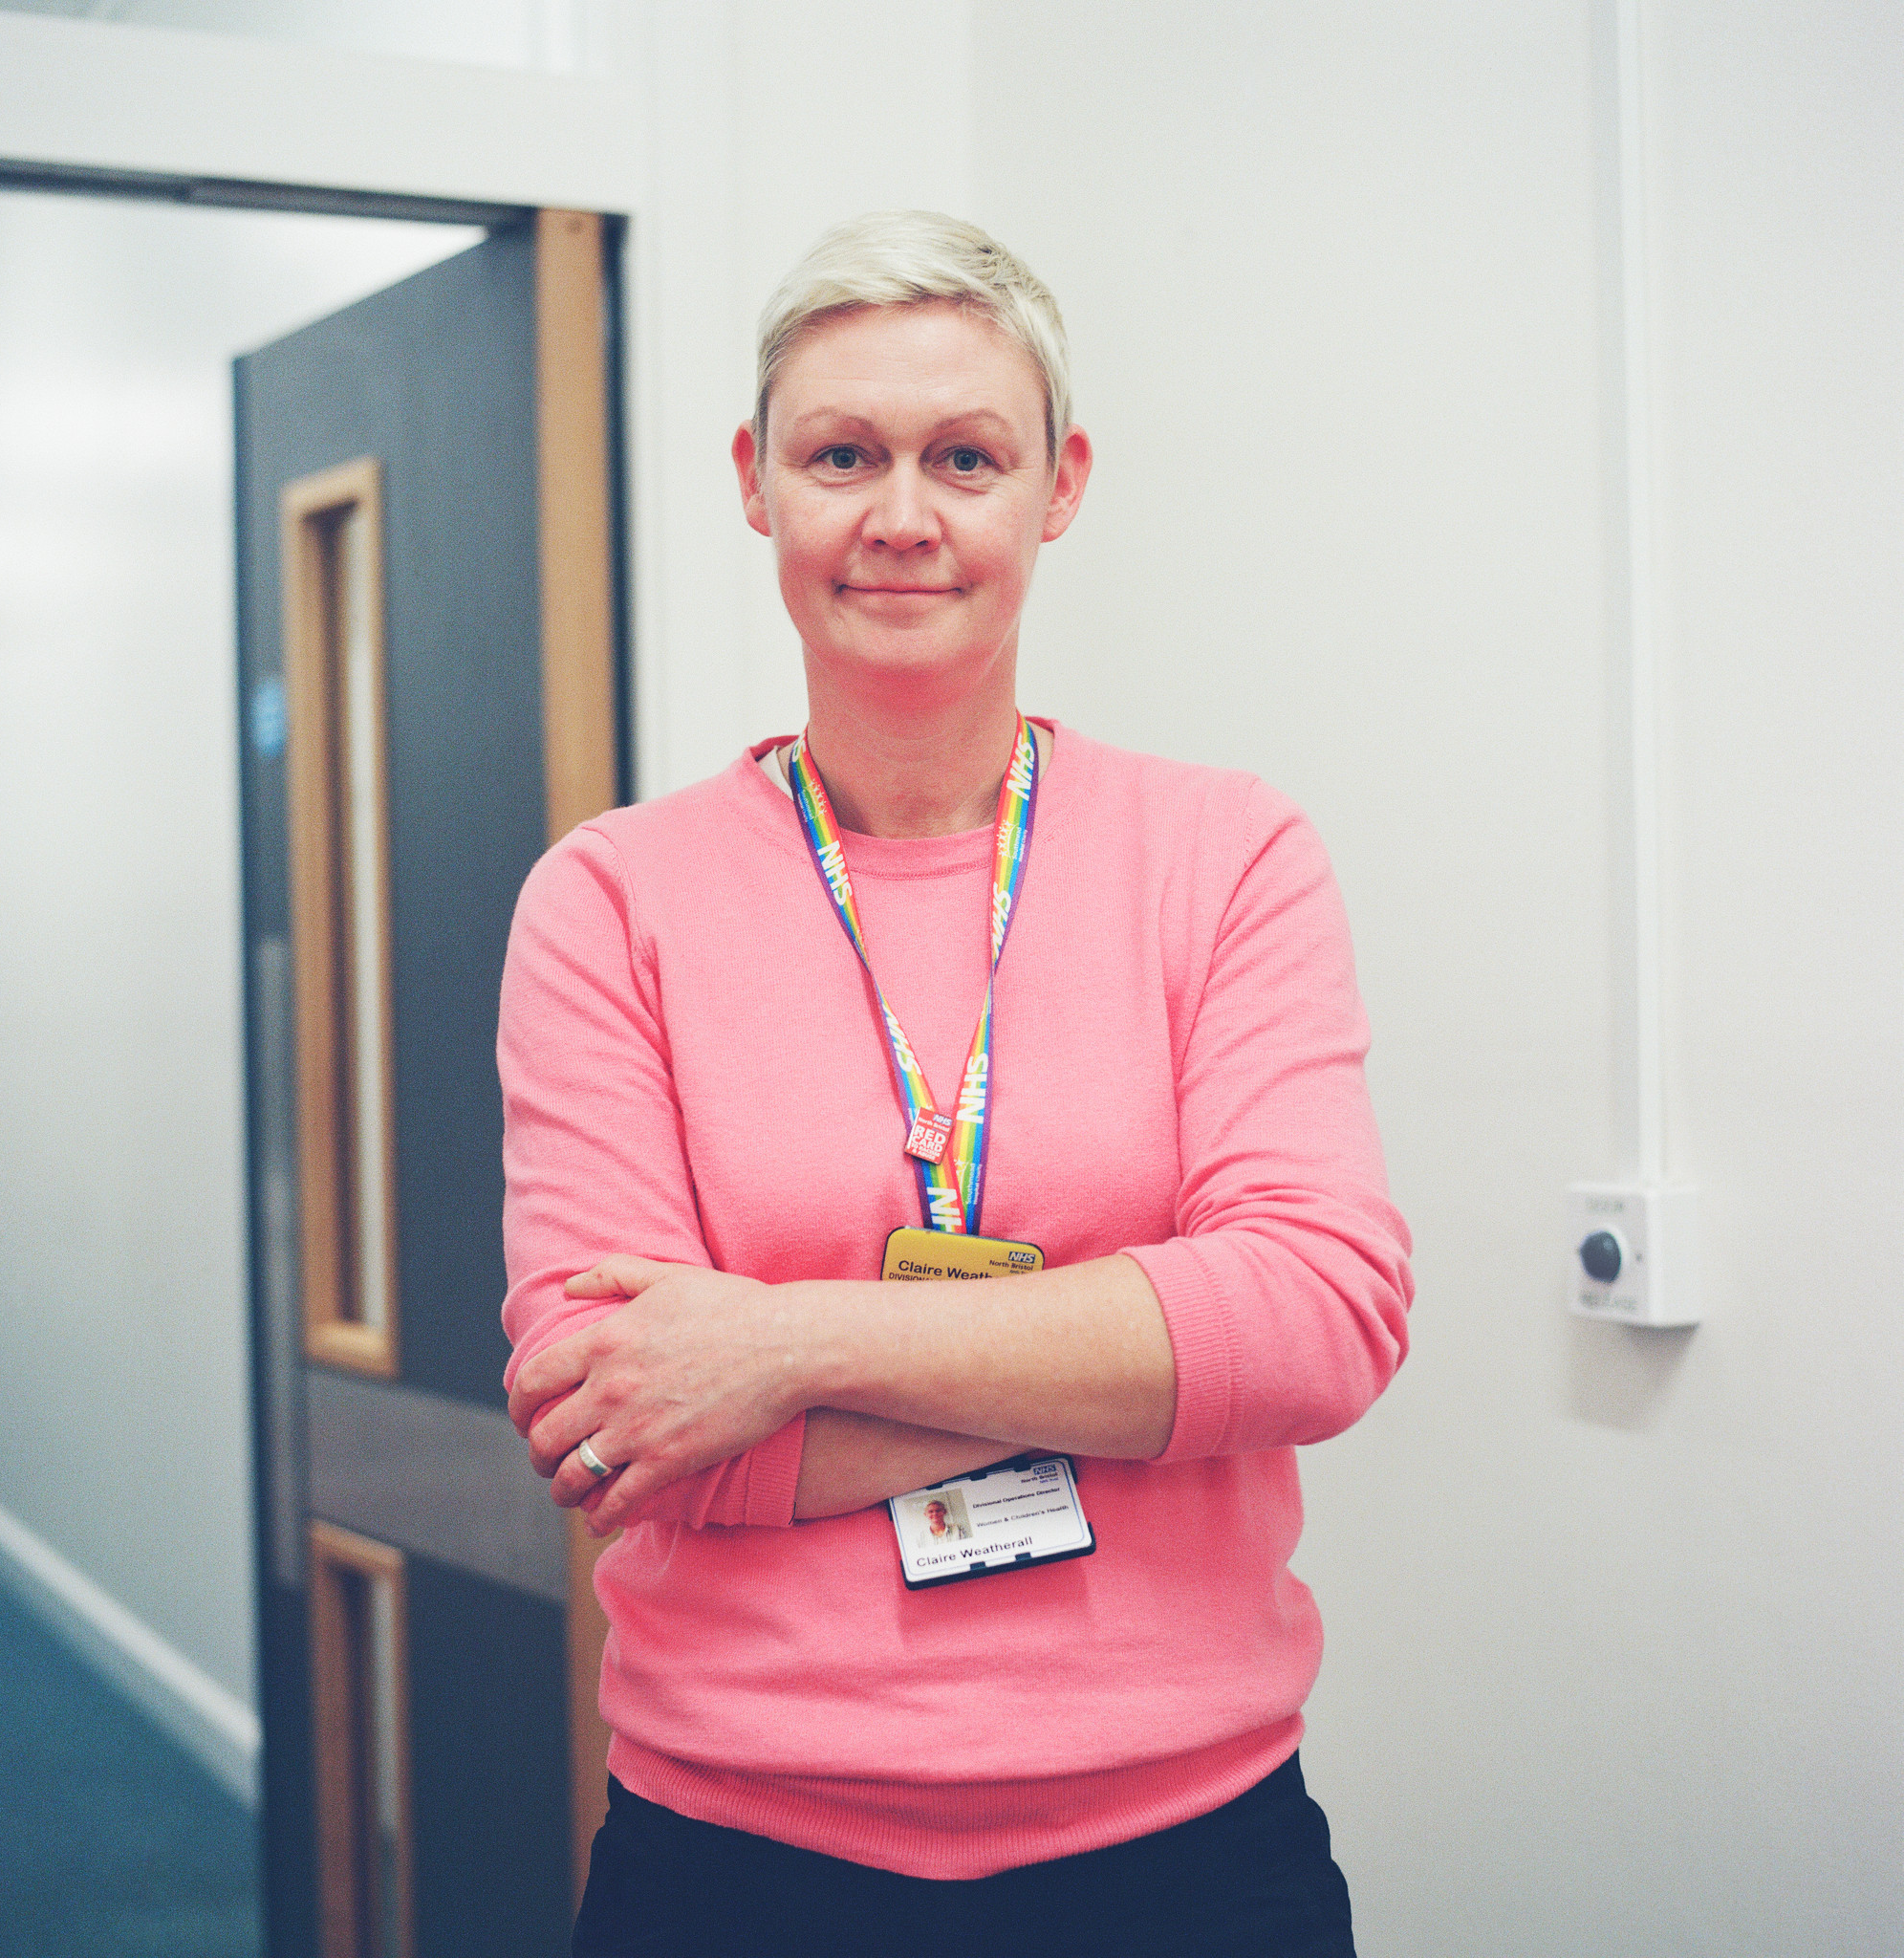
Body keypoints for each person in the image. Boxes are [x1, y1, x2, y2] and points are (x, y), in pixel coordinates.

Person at [500, 210, 1413, 1958]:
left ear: (1057, 486)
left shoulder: (1224, 858)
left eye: (965, 456)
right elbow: (613, 1415)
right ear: (756, 482)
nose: (902, 515)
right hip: (737, 1855)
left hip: (1188, 1849)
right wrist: (1148, 1359)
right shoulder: (613, 900)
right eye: (841, 453)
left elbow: (1320, 1316)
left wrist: (774, 1350)